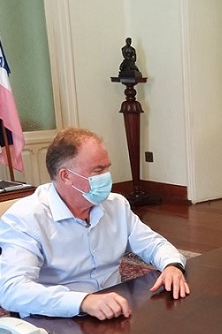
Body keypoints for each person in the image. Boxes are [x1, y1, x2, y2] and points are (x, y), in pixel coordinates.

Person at [0, 127, 189, 320]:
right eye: (98, 170)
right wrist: (83, 302)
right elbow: (12, 289)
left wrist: (172, 265)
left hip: (115, 311)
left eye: (107, 168)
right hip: (56, 320)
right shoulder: (25, 219)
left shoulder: (116, 205)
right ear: (66, 176)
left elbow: (154, 245)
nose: (107, 177)